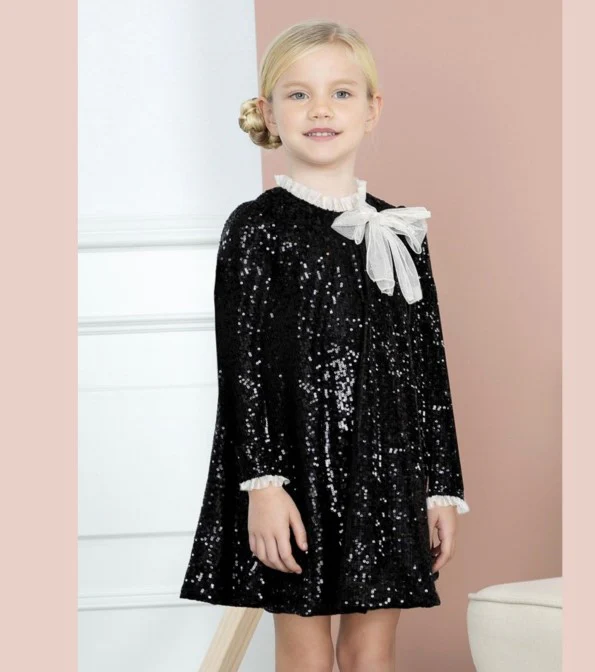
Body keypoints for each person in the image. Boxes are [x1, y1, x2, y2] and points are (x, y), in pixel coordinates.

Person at [180, 18, 470, 671]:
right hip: (296, 474)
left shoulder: (399, 230)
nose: (320, 109)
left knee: (372, 651)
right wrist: (262, 486)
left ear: (372, 110)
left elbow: (427, 367)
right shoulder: (257, 229)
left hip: (386, 473)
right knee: (306, 652)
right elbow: (243, 370)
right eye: (298, 94)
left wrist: (441, 488)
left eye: (341, 93)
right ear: (268, 113)